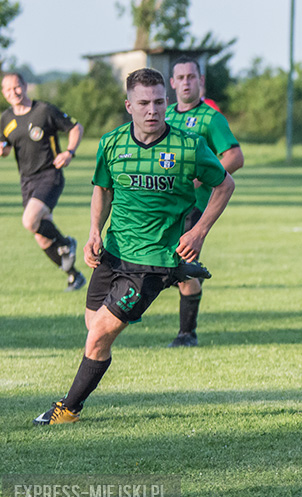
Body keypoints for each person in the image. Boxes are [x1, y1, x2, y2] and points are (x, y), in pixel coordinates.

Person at [32, 68, 235, 425]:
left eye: (159, 102)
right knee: (92, 325)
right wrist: (94, 231)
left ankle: (68, 409)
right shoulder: (112, 143)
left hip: (151, 260)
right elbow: (103, 189)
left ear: (167, 102)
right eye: (144, 103)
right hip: (112, 252)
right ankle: (176, 274)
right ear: (129, 106)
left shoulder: (189, 145)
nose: (152, 110)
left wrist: (200, 231)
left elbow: (225, 184)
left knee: (98, 337)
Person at [165, 56, 244, 347]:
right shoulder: (165, 116)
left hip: (194, 205)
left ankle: (187, 333)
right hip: (163, 205)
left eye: (191, 77)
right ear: (172, 83)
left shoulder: (211, 118)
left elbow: (234, 157)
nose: (186, 82)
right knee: (162, 265)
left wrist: (202, 177)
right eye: (180, 78)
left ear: (201, 81)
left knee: (183, 267)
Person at [1, 72, 86, 291]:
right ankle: (73, 276)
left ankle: (67, 244)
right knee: (41, 237)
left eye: (17, 87)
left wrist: (69, 152)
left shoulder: (44, 111)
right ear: (3, 93)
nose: (14, 92)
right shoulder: (6, 119)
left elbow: (76, 127)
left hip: (50, 175)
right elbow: (6, 147)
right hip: (26, 181)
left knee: (29, 221)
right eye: (8, 89)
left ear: (25, 86)